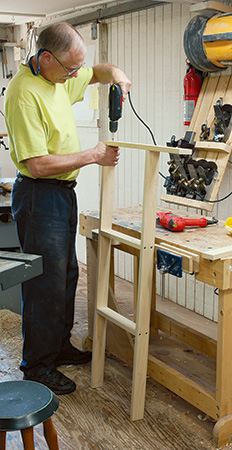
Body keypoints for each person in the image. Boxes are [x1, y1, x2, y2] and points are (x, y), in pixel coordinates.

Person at [4, 22, 131, 395]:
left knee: (66, 276)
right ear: (46, 58)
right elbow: (38, 164)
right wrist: (93, 155)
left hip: (61, 194)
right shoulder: (23, 94)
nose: (76, 75)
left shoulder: (59, 78)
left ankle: (58, 347)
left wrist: (118, 77)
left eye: (78, 68)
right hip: (39, 194)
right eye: (70, 68)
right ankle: (37, 366)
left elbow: (98, 72)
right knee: (44, 284)